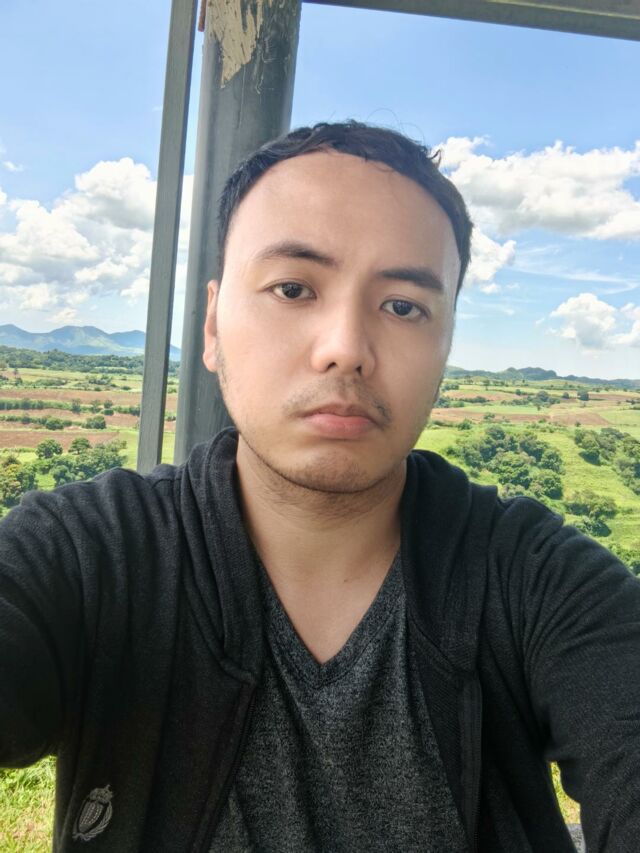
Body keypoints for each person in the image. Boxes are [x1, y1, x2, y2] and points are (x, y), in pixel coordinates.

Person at [1, 121, 639, 853]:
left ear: (446, 345)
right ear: (211, 325)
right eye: (293, 287)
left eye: (403, 306)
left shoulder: (536, 580)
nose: (345, 348)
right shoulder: (93, 554)